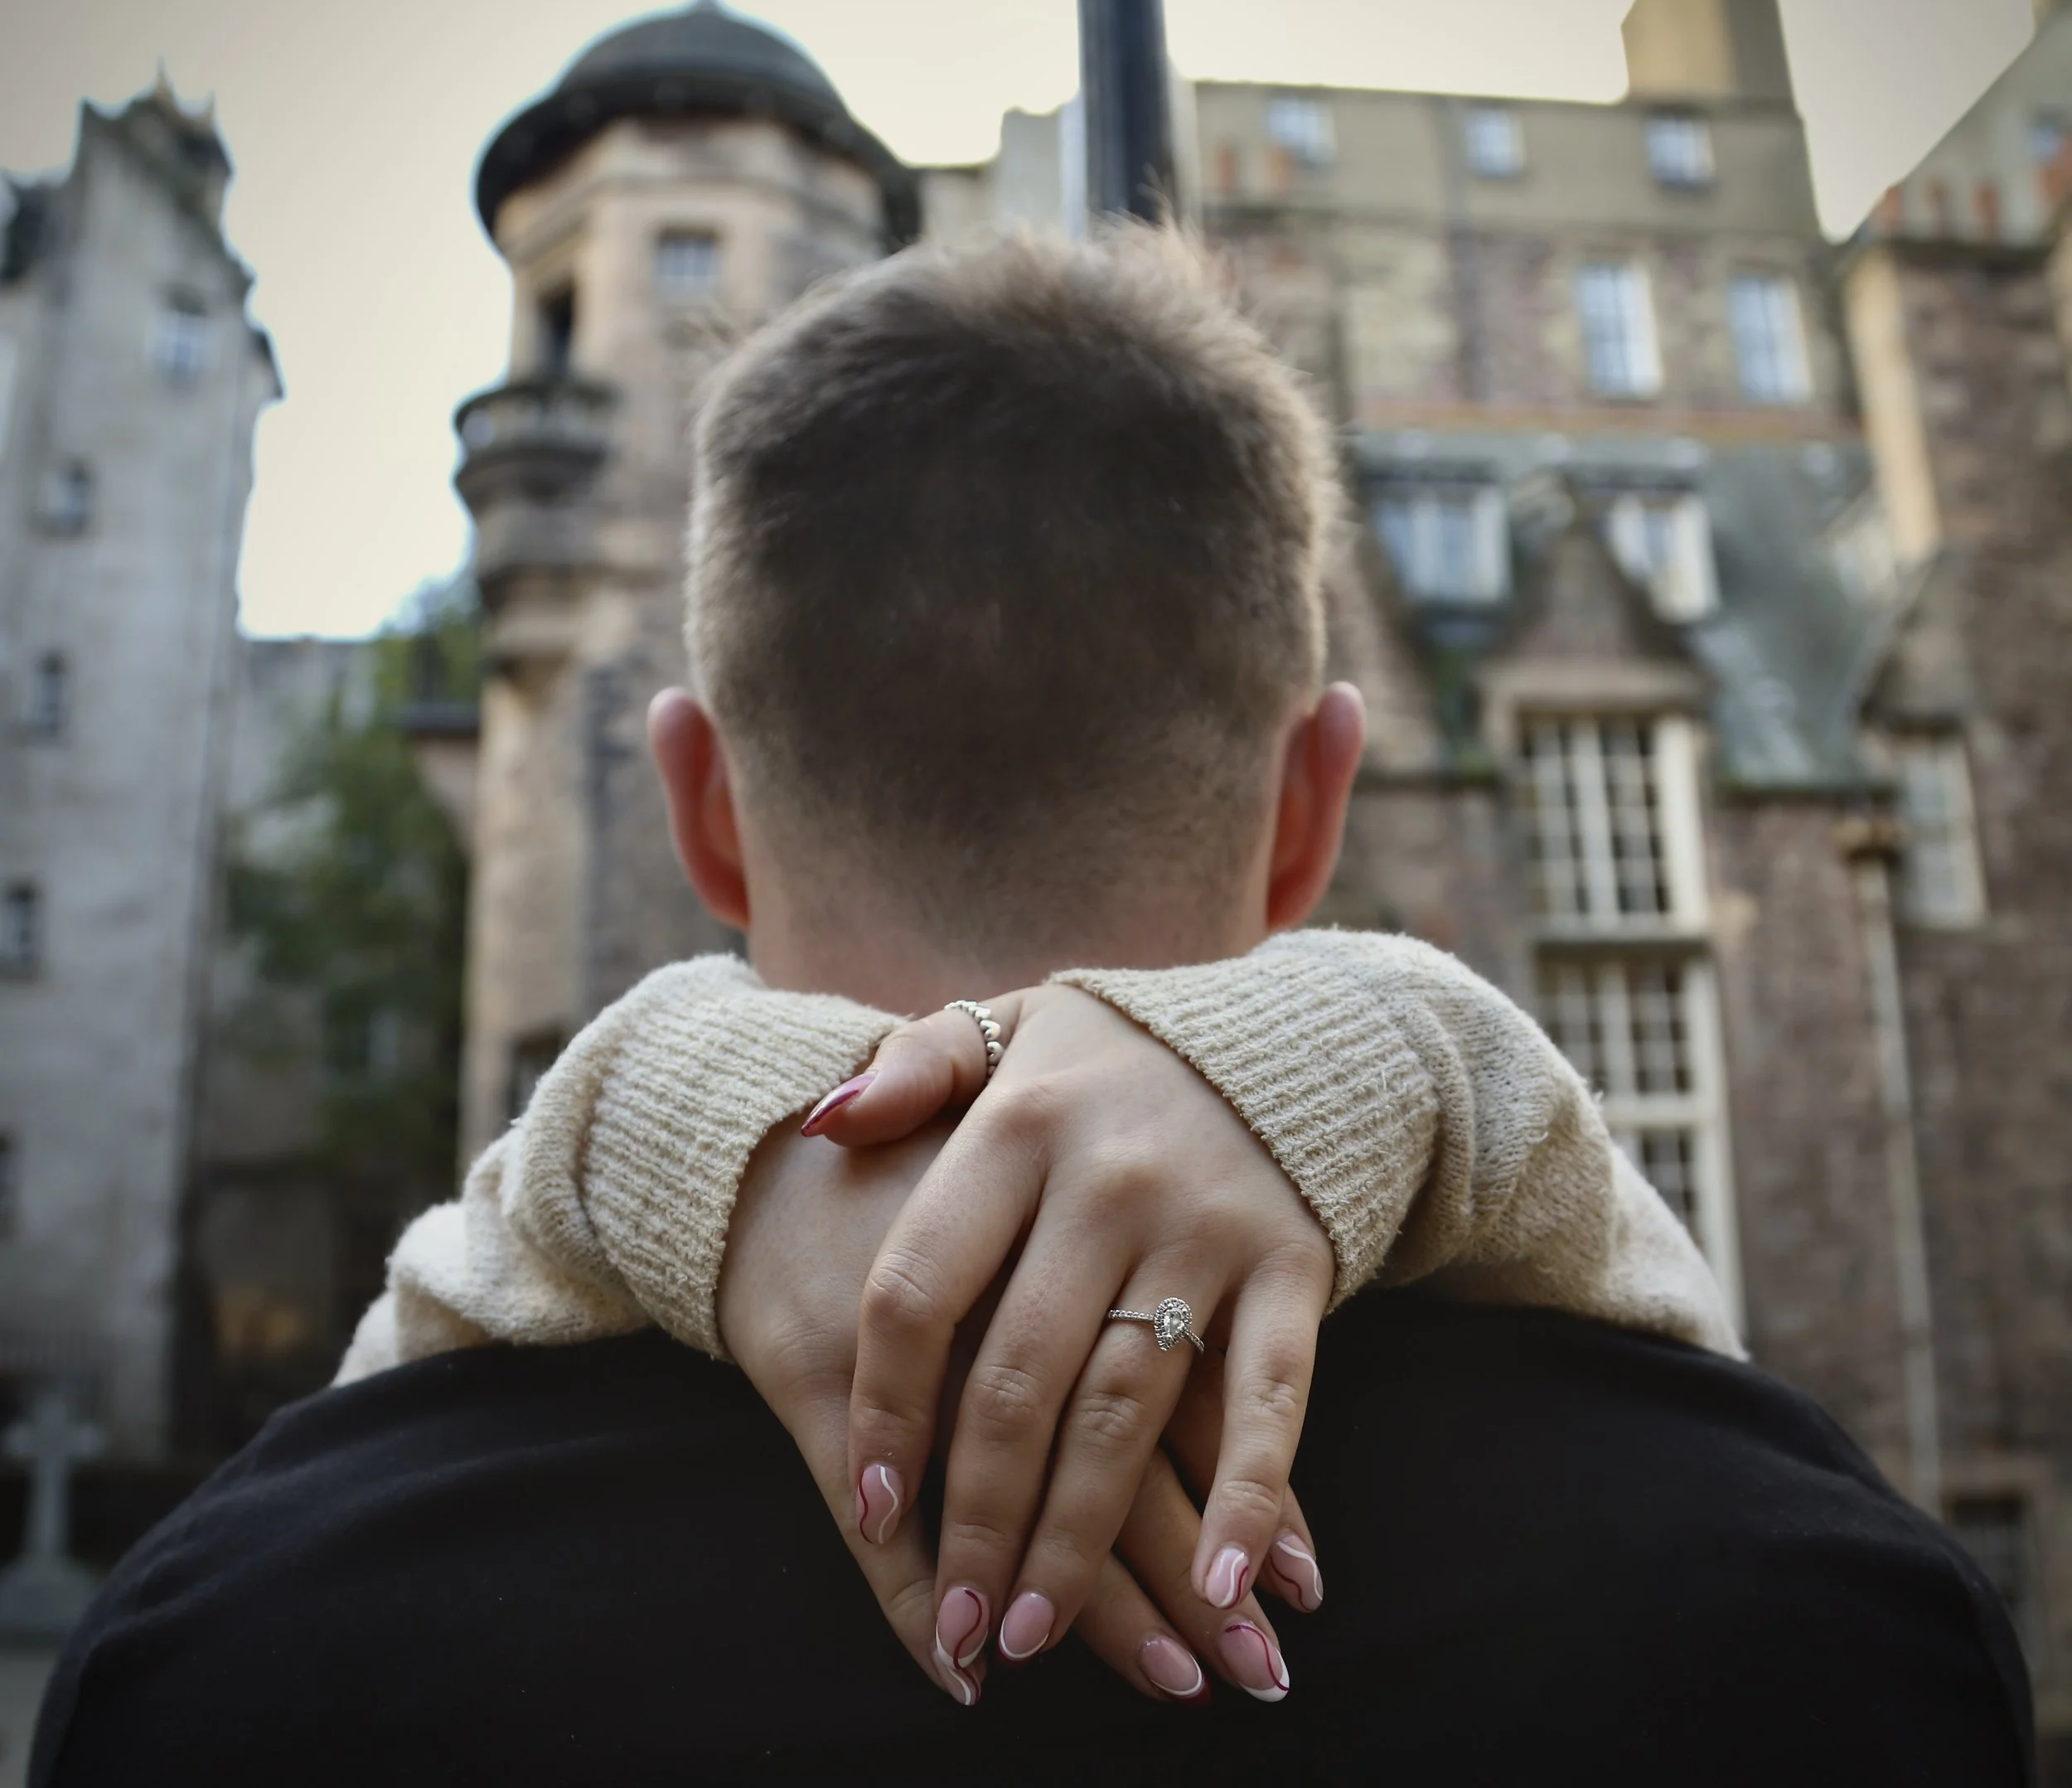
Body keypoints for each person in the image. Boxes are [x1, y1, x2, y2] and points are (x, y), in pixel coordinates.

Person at [33, 232, 2032, 1785]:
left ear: (697, 807)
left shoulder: (220, 1651)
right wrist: (1425, 1047)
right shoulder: (1825, 1616)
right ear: (1314, 800)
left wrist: (648, 1099)